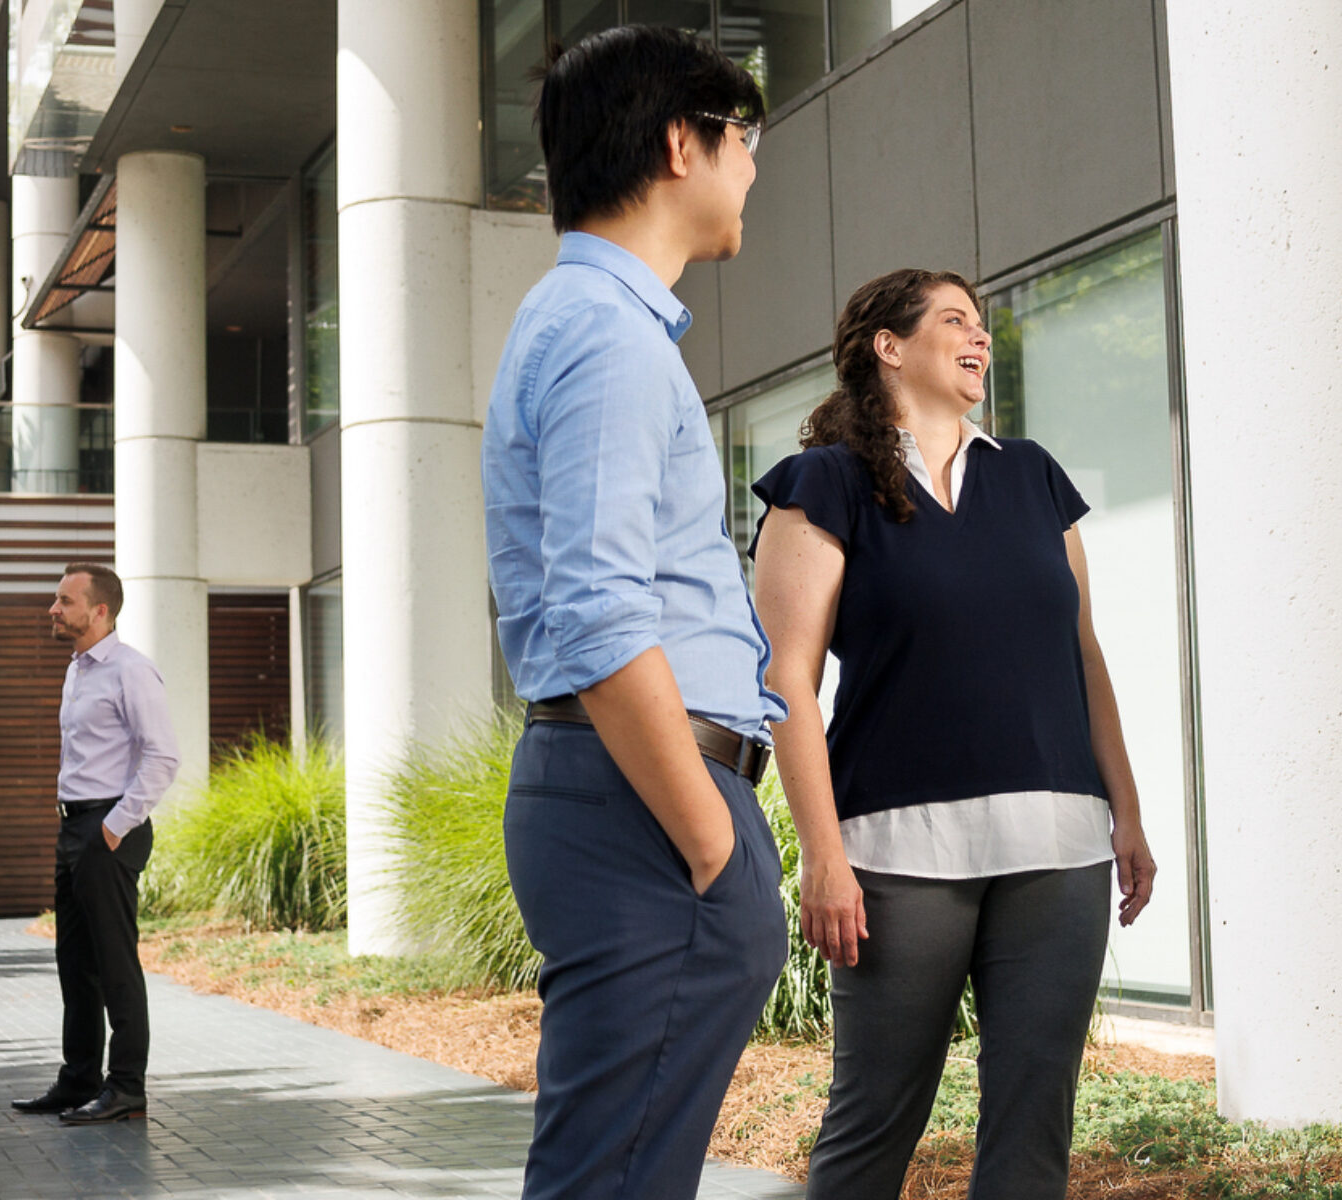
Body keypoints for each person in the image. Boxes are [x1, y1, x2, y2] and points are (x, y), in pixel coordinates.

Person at [750, 269, 1157, 1200]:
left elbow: (1083, 656)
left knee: (1033, 1130)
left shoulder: (1034, 476)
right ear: (889, 347)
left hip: (1057, 848)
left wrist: (1125, 813)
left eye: (983, 324)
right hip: (896, 853)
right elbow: (788, 683)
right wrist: (821, 854)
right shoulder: (823, 485)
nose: (979, 337)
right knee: (872, 1124)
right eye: (953, 322)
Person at [481, 24, 788, 1200]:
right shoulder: (606, 336)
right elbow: (603, 612)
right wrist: (713, 842)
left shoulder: (588, 325)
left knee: (617, 1171)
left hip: (624, 799)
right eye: (742, 137)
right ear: (679, 144)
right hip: (645, 808)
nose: (753, 165)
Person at [11, 563, 178, 1125]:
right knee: (75, 962)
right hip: (75, 827)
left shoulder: (131, 670)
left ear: (99, 610)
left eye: (64, 601)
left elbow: (162, 758)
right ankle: (78, 1078)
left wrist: (113, 826)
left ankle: (126, 1086)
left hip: (108, 829)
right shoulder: (78, 669)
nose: (53, 610)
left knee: (114, 965)